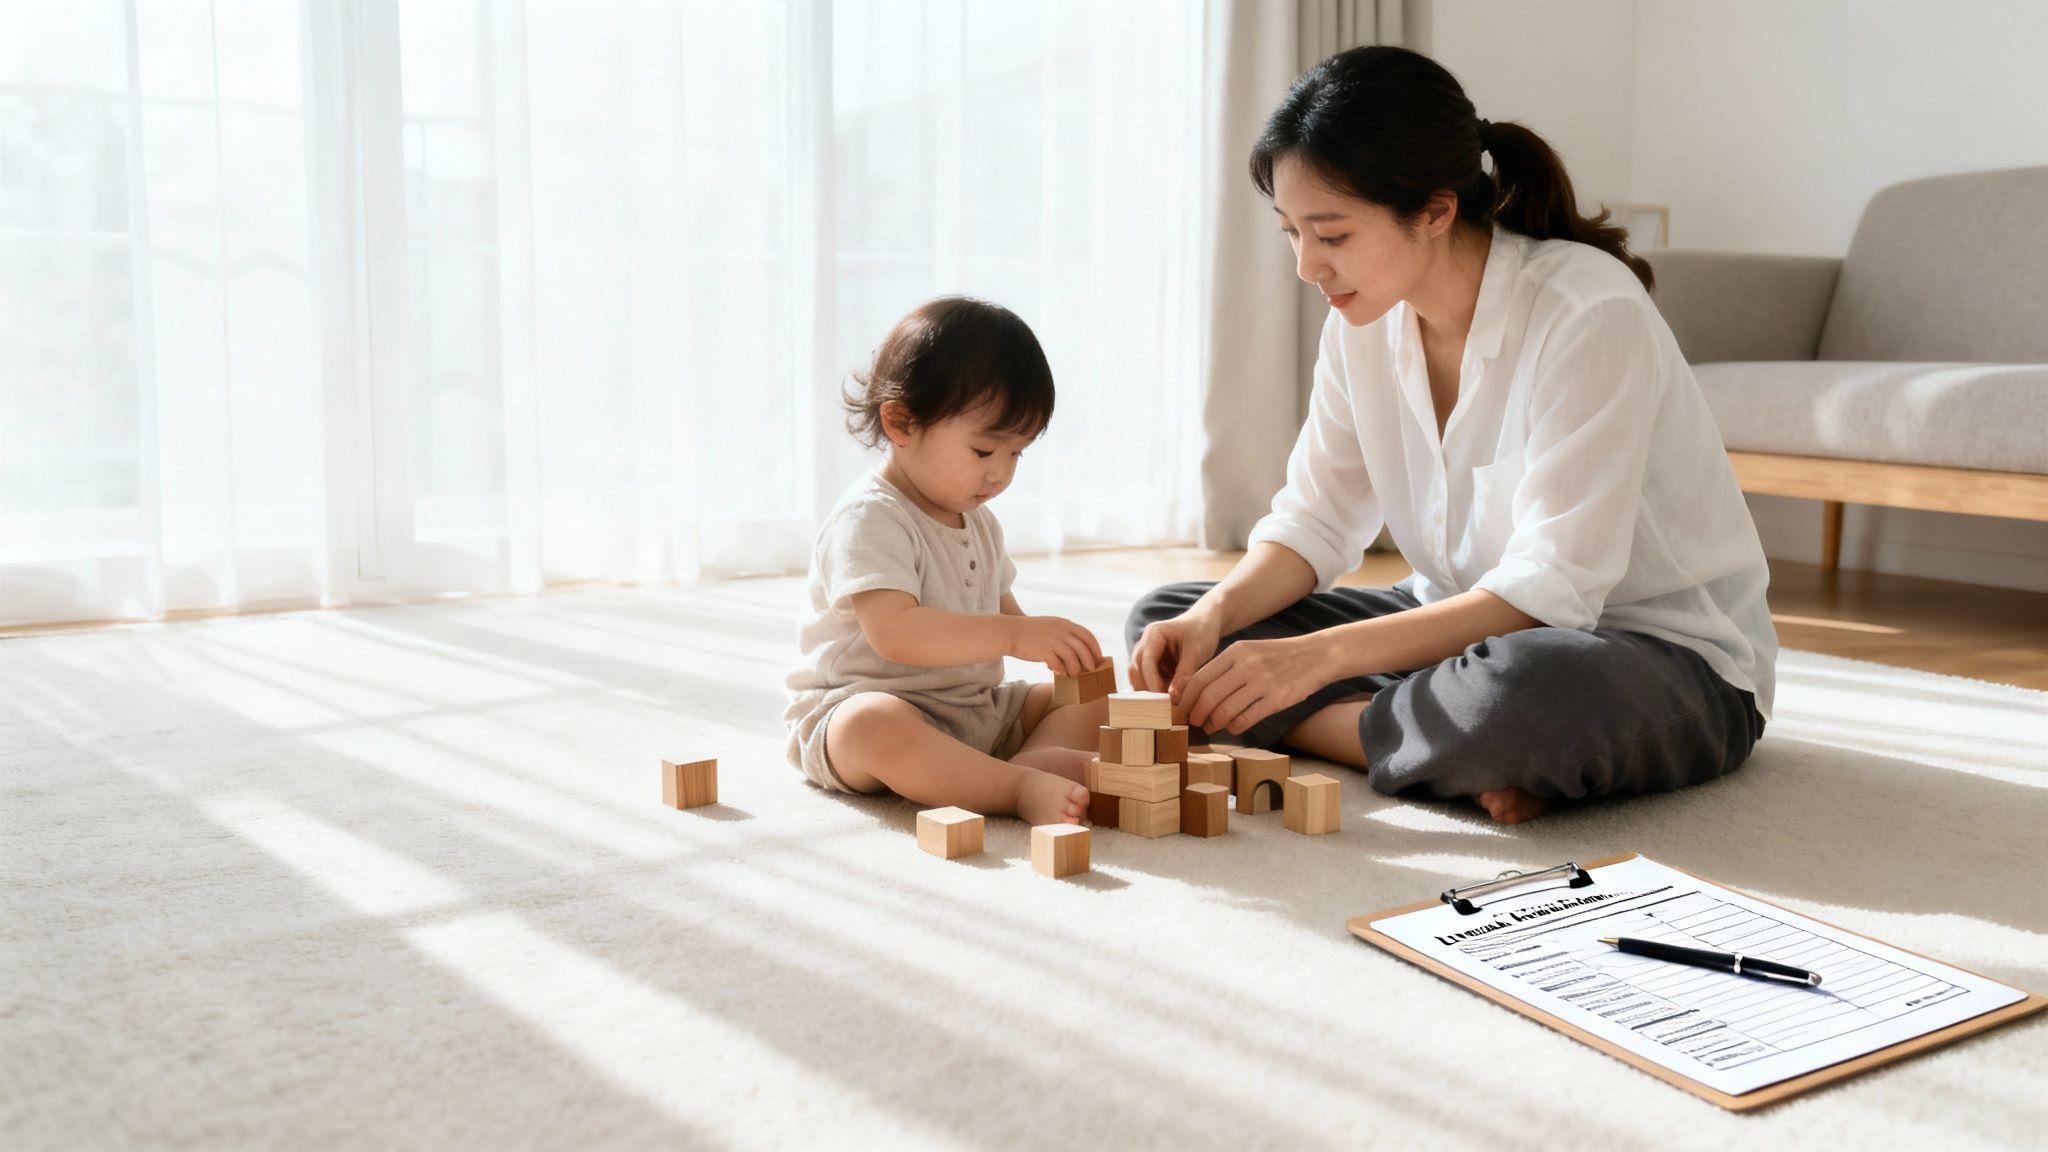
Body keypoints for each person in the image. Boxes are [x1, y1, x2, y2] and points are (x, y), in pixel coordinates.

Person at [1126, 46, 1776, 825]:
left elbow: (1553, 590)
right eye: (1291, 232)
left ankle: (1396, 732)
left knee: (1520, 695)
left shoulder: (1586, 312)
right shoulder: (1362, 322)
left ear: (1434, 211)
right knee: (1172, 625)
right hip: (1456, 623)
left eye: (1330, 235)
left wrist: (1317, 660)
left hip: (1650, 655)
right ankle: (1446, 751)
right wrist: (1215, 616)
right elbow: (1316, 520)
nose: (1307, 267)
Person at [786, 296, 1107, 827]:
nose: (1000, 474)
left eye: (1016, 454)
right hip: (869, 706)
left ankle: (1015, 768)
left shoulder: (977, 518)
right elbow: (897, 634)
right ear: (901, 423)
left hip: (974, 710)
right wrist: (1011, 637)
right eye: (985, 452)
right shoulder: (869, 518)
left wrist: (1054, 646)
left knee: (1093, 698)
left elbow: (1004, 611)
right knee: (873, 725)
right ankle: (1015, 786)